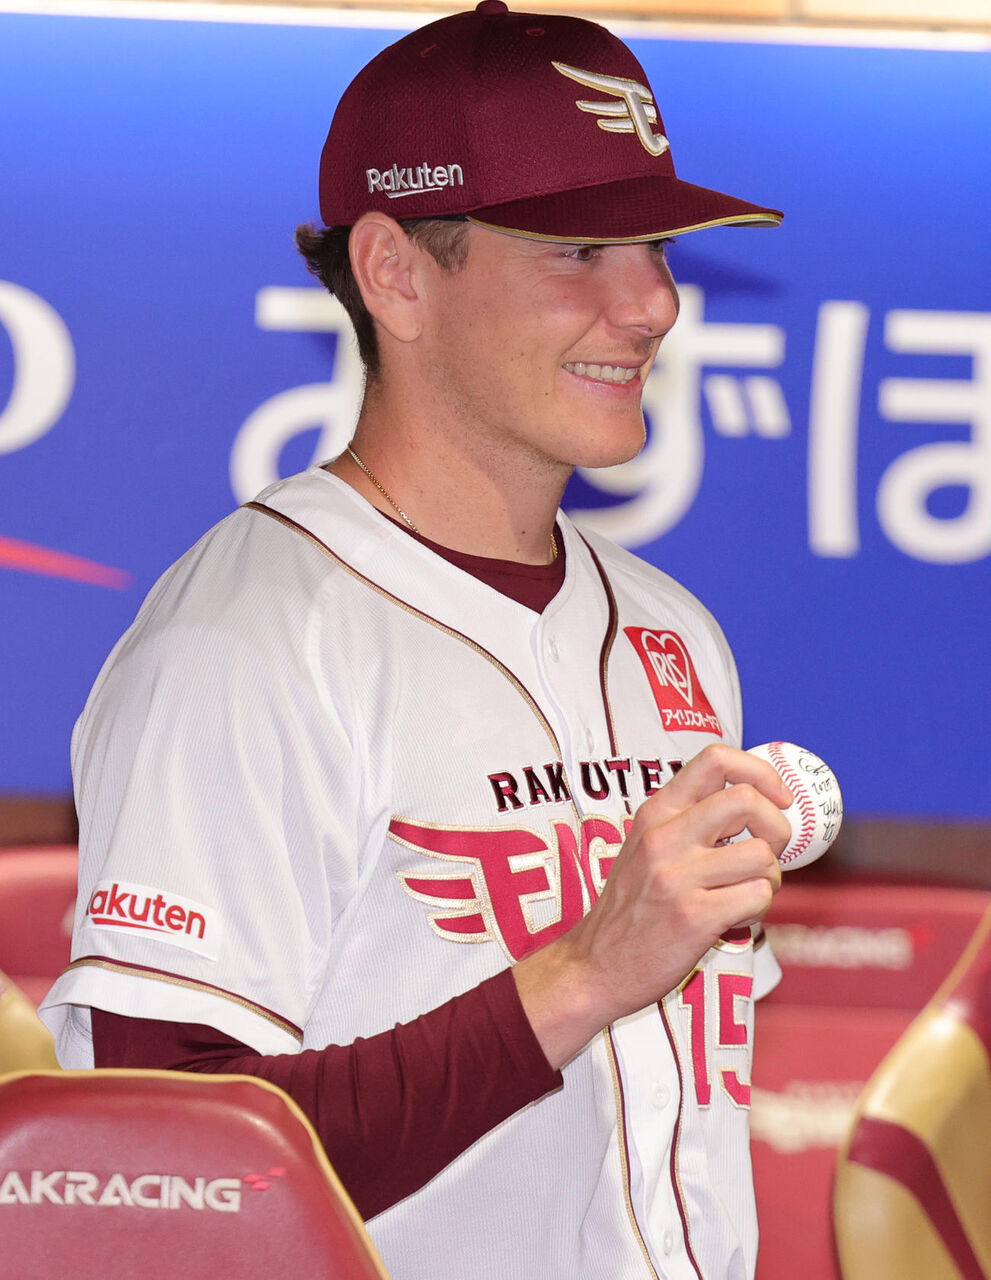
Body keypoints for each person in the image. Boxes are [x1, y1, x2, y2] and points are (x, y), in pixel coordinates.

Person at [41, 4, 793, 1276]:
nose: (654, 302)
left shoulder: (675, 632)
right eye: (577, 251)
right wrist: (580, 971)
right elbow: (159, 1172)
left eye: (656, 245)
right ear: (393, 271)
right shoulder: (240, 642)